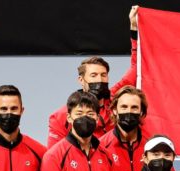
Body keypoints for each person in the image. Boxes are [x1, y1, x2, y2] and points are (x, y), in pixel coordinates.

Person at [46, 6, 140, 146]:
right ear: (81, 80)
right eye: (94, 75)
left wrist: (134, 30)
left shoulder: (117, 99)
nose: (99, 80)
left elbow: (137, 67)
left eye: (103, 75)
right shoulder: (61, 116)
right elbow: (54, 156)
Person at [100, 85, 150, 171]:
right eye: (124, 107)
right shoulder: (100, 147)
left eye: (134, 107)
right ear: (114, 110)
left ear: (141, 112)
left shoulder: (152, 146)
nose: (129, 111)